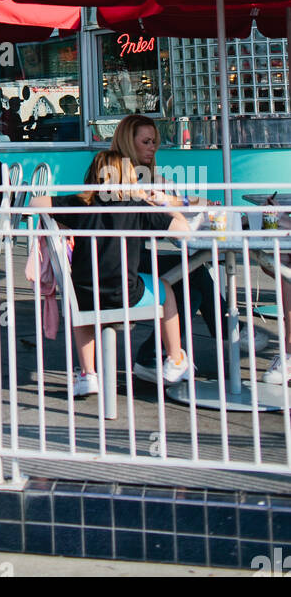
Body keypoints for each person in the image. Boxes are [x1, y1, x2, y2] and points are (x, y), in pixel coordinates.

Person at [53, 150, 194, 396]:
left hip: (84, 293)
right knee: (166, 288)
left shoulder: (79, 203)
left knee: (82, 305)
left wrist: (63, 219)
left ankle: (88, 374)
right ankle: (175, 358)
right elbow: (183, 230)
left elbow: (35, 204)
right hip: (126, 294)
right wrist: (163, 202)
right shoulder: (136, 207)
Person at [110, 113, 228, 379]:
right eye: (146, 142)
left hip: (124, 257)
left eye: (155, 142)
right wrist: (181, 203)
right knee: (193, 270)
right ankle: (232, 331)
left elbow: (173, 204)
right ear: (129, 142)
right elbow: (170, 212)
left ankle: (153, 356)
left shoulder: (133, 176)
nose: (152, 147)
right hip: (119, 263)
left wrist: (180, 201)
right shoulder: (127, 179)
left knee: (192, 287)